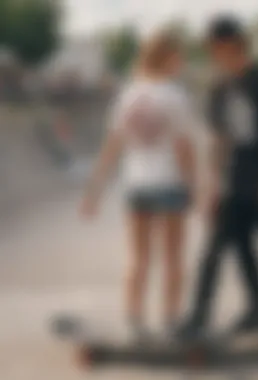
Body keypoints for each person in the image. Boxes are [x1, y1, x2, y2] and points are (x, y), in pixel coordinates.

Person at [179, 16, 258, 339]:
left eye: (214, 48)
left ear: (231, 44)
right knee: (223, 248)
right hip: (234, 180)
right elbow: (220, 141)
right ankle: (212, 314)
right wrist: (212, 185)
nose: (211, 55)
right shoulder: (219, 87)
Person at [80, 30, 196, 338]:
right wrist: (194, 185)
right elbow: (185, 148)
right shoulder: (176, 95)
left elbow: (111, 148)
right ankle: (171, 320)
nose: (182, 62)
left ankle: (134, 319)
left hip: (137, 186)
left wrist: (93, 192)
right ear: (168, 58)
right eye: (179, 56)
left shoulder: (127, 96)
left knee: (138, 258)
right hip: (170, 184)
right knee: (173, 257)